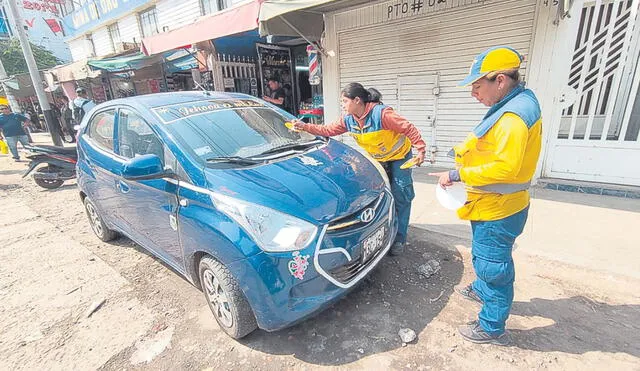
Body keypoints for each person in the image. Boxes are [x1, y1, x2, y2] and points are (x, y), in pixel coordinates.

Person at [429, 46, 542, 345]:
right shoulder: (518, 100)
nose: (473, 94)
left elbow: (506, 167)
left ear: (500, 81)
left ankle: (491, 326)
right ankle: (482, 288)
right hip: (492, 203)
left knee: (493, 265)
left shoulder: (513, 118)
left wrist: (457, 174)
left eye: (478, 86)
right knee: (485, 256)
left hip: (499, 208)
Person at [293, 82, 427, 256]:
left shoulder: (382, 114)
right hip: (379, 159)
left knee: (401, 195)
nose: (342, 105)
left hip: (400, 158)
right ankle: (384, 229)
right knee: (381, 194)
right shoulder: (348, 120)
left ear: (357, 100)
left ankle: (399, 238)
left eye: (344, 101)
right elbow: (327, 130)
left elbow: (408, 127)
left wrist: (421, 149)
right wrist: (305, 126)